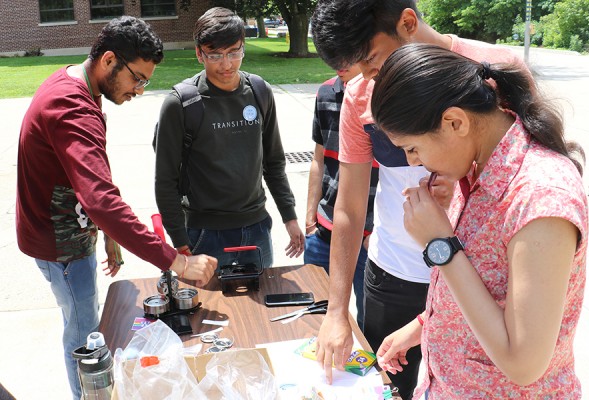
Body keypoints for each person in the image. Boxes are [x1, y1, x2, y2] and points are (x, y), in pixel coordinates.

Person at [310, 0, 530, 396]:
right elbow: (349, 207)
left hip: (481, 277)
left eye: (373, 60)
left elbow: (522, 179)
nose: (370, 80)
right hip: (396, 272)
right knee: (387, 385)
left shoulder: (494, 71)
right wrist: (336, 311)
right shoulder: (361, 94)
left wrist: (463, 190)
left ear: (408, 23)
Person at [15, 17, 218, 400]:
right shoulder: (71, 107)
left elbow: (93, 180)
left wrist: (108, 233)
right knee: (85, 335)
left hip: (72, 231)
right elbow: (101, 200)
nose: (140, 91)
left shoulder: (82, 88)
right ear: (109, 60)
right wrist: (177, 262)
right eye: (138, 79)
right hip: (59, 245)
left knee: (89, 324)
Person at [372, 43, 587, 399]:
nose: (413, 162)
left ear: (455, 122)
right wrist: (423, 325)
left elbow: (524, 364)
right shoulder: (478, 168)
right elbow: (493, 287)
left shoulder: (540, 195)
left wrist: (439, 244)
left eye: (413, 148)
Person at [155, 7, 304, 269]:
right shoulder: (180, 104)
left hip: (257, 229)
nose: (227, 64)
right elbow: (165, 180)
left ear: (243, 47)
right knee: (208, 310)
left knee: (260, 310)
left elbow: (274, 162)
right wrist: (179, 239)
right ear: (199, 54)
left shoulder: (260, 91)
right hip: (202, 235)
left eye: (234, 52)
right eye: (215, 55)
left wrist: (289, 217)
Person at [304, 64, 374, 330]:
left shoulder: (387, 95)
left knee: (371, 329)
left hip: (371, 239)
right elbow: (318, 158)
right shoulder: (325, 93)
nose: (340, 63)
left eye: (349, 53)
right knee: (314, 319)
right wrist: (311, 213)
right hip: (325, 232)